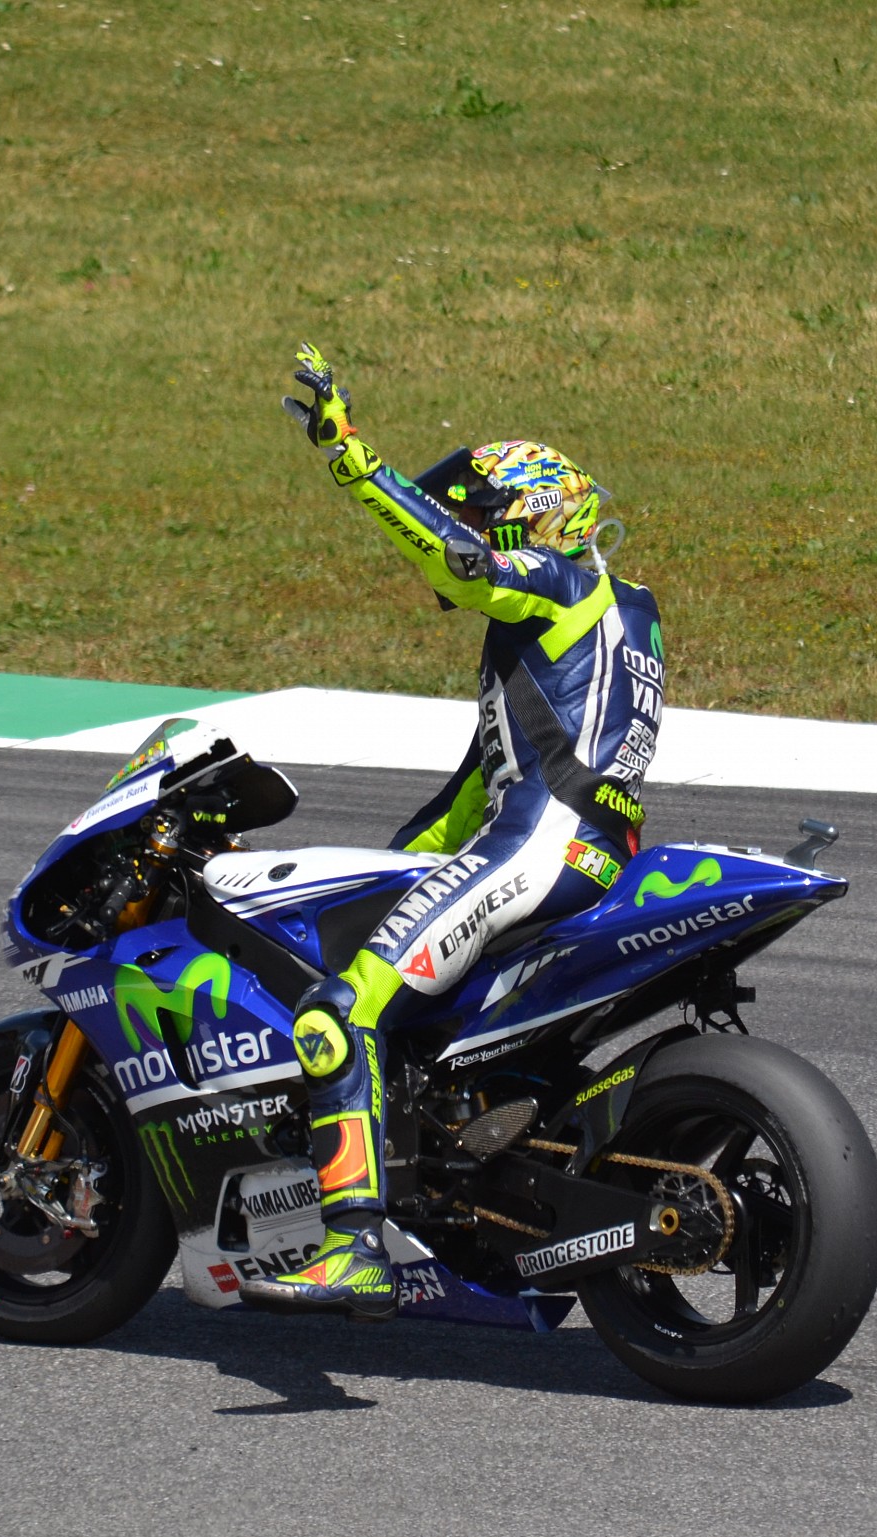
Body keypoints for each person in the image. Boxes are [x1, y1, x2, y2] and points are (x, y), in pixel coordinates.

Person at [240, 344, 666, 1319]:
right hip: (584, 855)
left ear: (525, 517)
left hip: (540, 847)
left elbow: (460, 559)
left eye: (477, 511)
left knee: (337, 1012)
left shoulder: (559, 587)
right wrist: (368, 879)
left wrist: (355, 460)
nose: (463, 533)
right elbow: (469, 800)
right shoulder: (611, 621)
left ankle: (347, 1246)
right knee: (416, 1020)